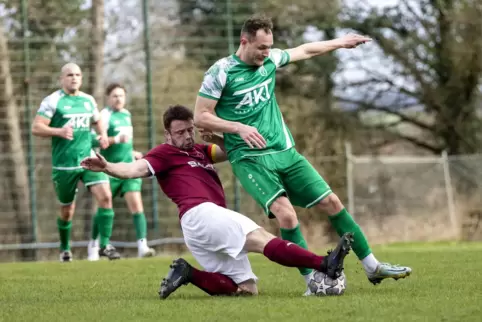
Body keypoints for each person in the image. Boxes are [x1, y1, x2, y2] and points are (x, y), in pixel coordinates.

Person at [193, 14, 411, 293]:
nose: (266, 53)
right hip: (249, 158)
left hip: (285, 151)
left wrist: (341, 42)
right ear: (244, 41)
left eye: (269, 47)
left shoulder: (270, 61)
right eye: (261, 47)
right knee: (286, 216)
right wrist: (237, 128)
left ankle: (372, 266)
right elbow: (201, 116)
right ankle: (313, 281)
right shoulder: (220, 72)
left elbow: (306, 50)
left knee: (331, 202)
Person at [80, 105, 353, 299]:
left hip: (203, 226)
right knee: (260, 238)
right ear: (168, 135)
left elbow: (233, 150)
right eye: (180, 132)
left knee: (246, 289)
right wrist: (107, 167)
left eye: (190, 130)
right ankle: (324, 264)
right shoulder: (163, 153)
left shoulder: (201, 151)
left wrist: (218, 135)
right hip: (200, 215)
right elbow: (133, 169)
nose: (187, 136)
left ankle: (188, 273)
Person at [32, 63, 121, 261]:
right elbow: (36, 127)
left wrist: (103, 135)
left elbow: (97, 121)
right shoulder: (53, 101)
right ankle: (65, 249)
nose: (74, 78)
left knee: (106, 197)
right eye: (70, 75)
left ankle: (104, 245)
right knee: (67, 210)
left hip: (88, 159)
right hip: (64, 165)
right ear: (61, 78)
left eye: (77, 75)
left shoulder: (88, 100)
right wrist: (59, 131)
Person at [89, 83, 155, 260]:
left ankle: (143, 246)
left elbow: (128, 142)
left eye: (121, 96)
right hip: (110, 169)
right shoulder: (104, 115)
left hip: (129, 168)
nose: (118, 99)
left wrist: (132, 152)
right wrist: (115, 139)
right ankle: (94, 245)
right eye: (115, 96)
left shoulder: (127, 115)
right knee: (103, 206)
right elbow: (96, 141)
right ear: (108, 98)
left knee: (136, 205)